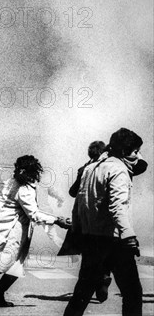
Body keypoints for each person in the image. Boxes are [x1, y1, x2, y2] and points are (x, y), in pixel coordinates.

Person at [0, 155, 70, 307]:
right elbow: (33, 213)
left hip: (16, 228)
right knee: (5, 261)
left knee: (16, 265)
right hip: (13, 230)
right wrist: (57, 220)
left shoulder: (15, 181)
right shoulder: (24, 188)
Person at [64, 128, 147, 316]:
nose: (137, 156)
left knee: (82, 293)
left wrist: (78, 229)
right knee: (132, 293)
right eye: (135, 151)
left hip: (91, 239)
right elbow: (118, 207)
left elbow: (79, 204)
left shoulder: (90, 168)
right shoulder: (119, 170)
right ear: (125, 151)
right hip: (115, 241)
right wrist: (129, 236)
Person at [59, 140, 110, 302]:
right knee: (105, 252)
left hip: (83, 218)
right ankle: (103, 277)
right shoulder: (110, 166)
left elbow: (72, 192)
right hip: (102, 218)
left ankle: (84, 291)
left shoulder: (85, 169)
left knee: (88, 256)